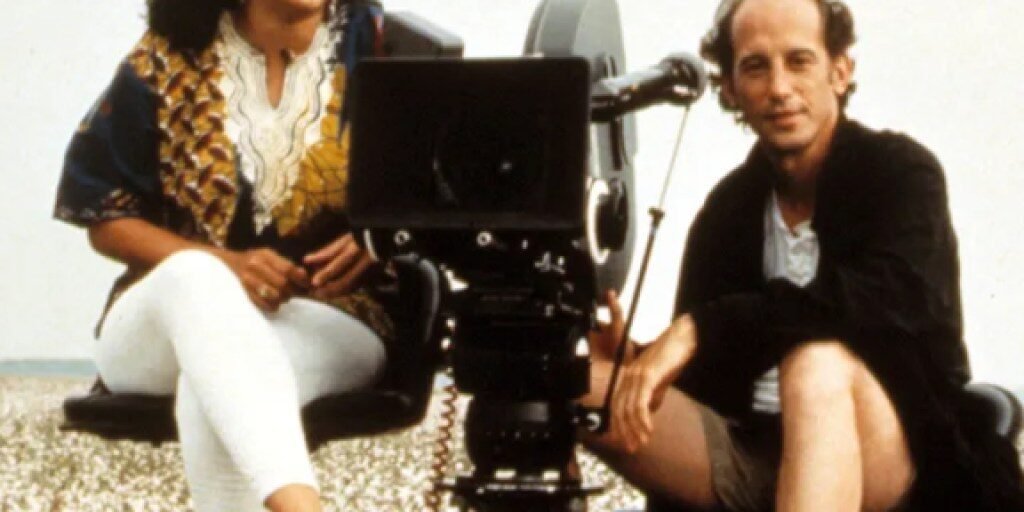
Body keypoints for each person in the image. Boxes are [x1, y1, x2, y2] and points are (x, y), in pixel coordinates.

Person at [583, 0, 1024, 511]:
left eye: (799, 61)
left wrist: (700, 328)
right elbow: (710, 366)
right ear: (730, 88)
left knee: (816, 364)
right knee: (576, 381)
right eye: (755, 67)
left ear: (840, 71)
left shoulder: (901, 174)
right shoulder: (727, 210)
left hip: (896, 461)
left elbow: (883, 302)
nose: (779, 88)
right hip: (756, 453)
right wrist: (638, 359)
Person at [53, 1, 391, 510]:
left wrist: (378, 235)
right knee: (196, 275)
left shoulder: (379, 45)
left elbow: (446, 184)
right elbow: (101, 215)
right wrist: (227, 265)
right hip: (165, 321)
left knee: (213, 387)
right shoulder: (164, 58)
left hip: (330, 316)